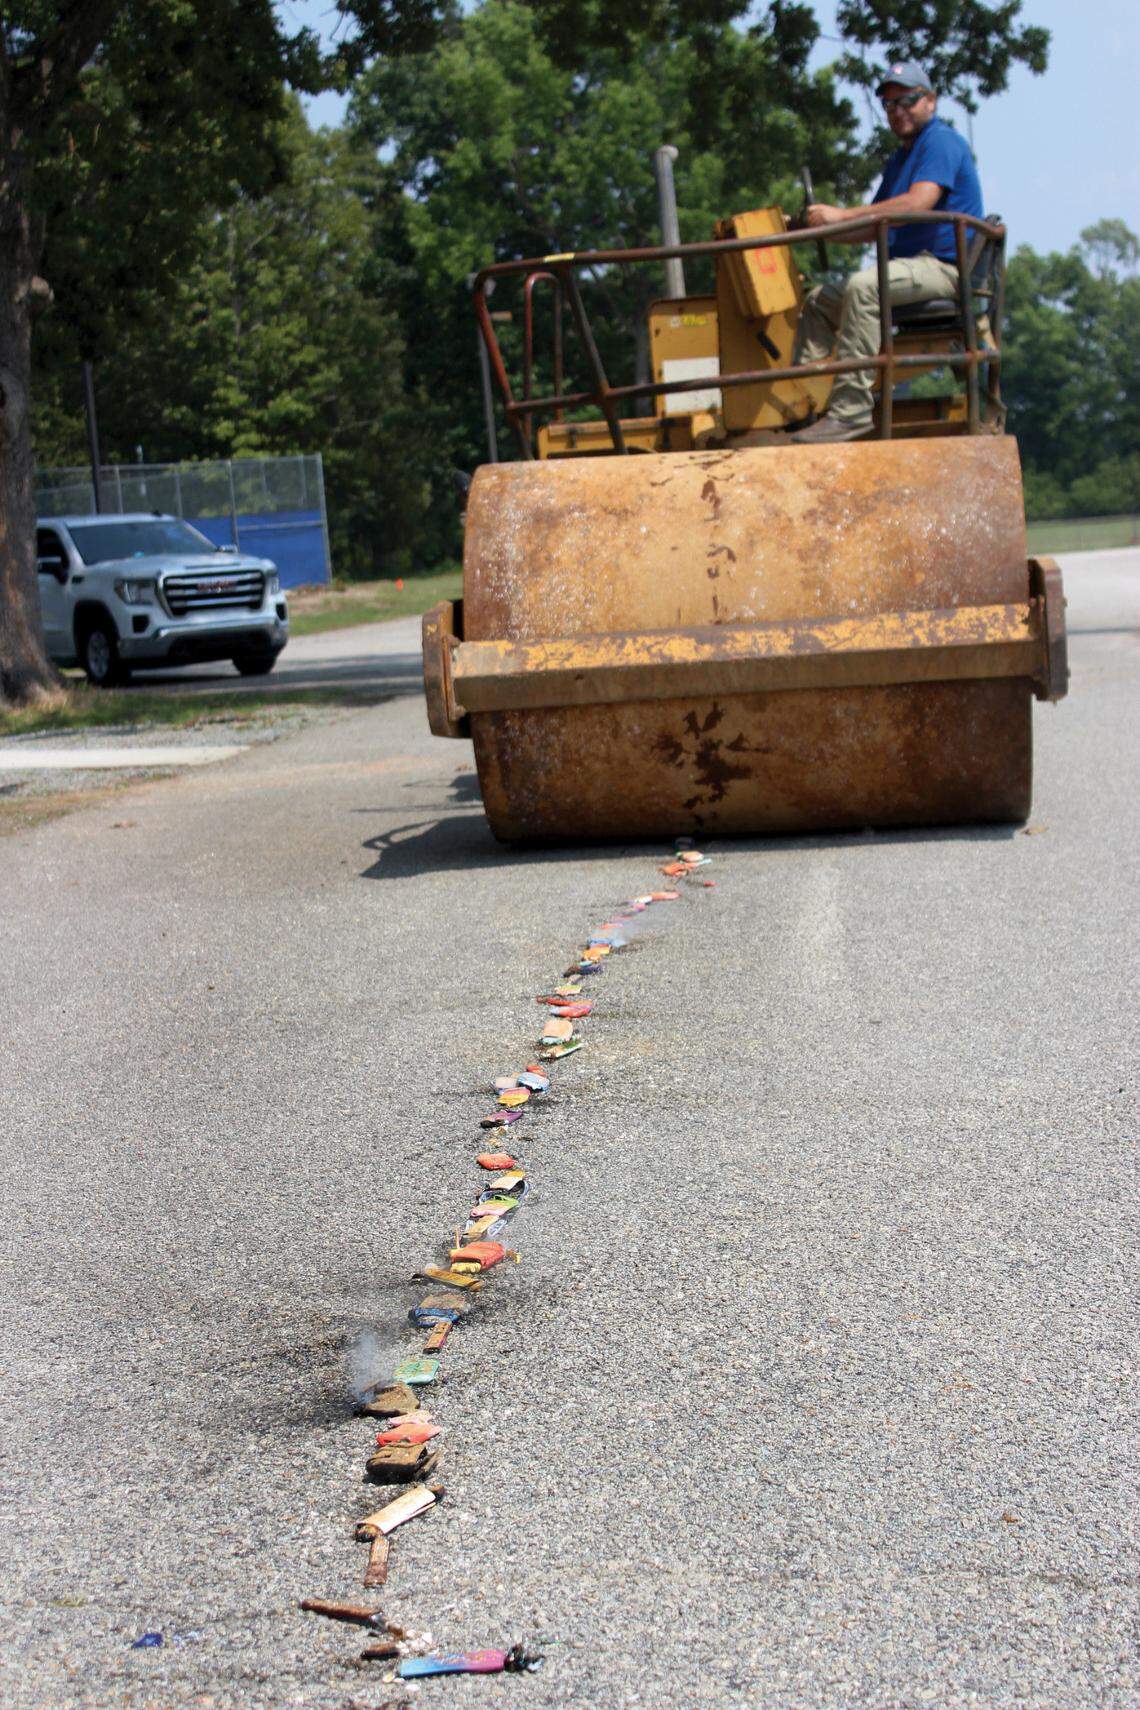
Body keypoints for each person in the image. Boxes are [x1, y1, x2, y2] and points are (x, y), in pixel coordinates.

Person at [786, 61, 984, 444]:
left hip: (943, 268)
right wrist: (822, 228)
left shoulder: (940, 142)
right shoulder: (901, 159)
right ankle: (805, 405)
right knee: (818, 301)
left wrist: (840, 214)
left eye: (907, 100)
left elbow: (917, 203)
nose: (898, 111)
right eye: (890, 105)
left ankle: (850, 414)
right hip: (910, 266)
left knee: (865, 286)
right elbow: (872, 226)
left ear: (930, 100)